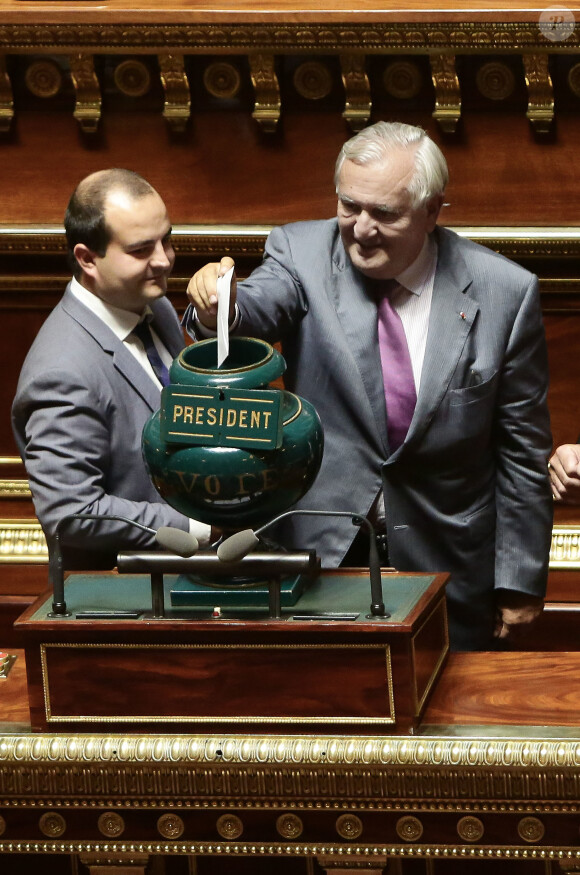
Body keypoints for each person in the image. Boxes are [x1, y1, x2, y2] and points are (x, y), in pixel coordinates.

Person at [186, 120, 553, 651]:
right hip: (319, 550)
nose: (360, 228)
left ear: (432, 211)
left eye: (383, 213)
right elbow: (261, 303)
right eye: (348, 206)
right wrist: (224, 308)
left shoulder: (505, 293)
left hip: (447, 562)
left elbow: (521, 451)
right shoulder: (300, 252)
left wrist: (518, 580)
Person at [12, 168, 210, 569]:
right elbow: (71, 510)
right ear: (87, 258)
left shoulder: (156, 308)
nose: (164, 261)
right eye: (141, 250)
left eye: (166, 240)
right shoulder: (62, 370)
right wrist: (199, 527)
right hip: (122, 600)